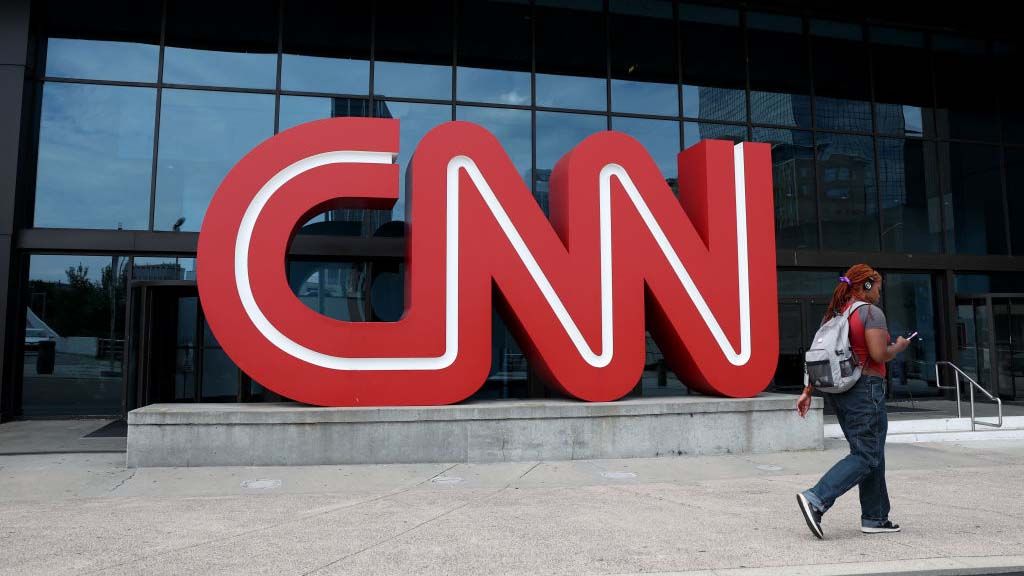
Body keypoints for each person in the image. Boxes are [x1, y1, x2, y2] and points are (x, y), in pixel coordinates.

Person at [794, 264, 911, 539]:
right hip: (866, 389)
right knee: (866, 454)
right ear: (867, 286)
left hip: (841, 392)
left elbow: (821, 356)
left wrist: (807, 391)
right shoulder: (871, 313)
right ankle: (816, 498)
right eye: (878, 288)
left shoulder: (836, 314)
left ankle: (875, 517)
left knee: (872, 454)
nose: (880, 294)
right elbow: (879, 354)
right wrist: (900, 346)